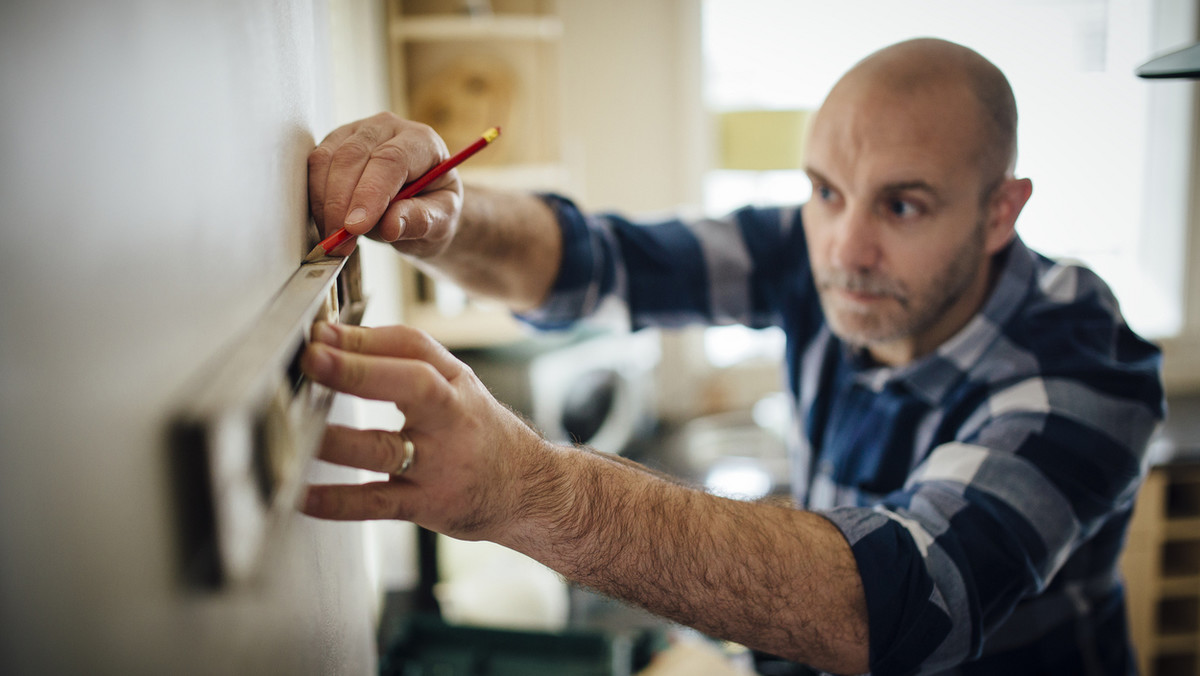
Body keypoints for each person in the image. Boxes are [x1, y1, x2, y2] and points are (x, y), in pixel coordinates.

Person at [301, 38, 1164, 675]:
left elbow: (909, 600)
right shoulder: (820, 248)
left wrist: (526, 488)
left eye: (903, 206)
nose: (844, 248)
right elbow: (594, 258)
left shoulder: (1084, 367)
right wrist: (444, 216)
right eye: (824, 189)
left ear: (998, 214)